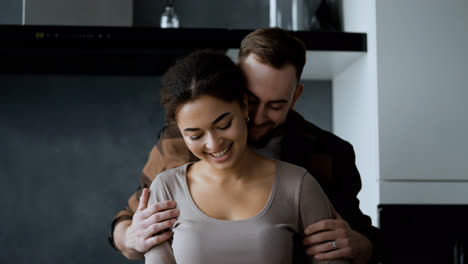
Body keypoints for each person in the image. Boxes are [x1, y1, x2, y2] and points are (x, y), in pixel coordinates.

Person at [110, 27, 380, 263]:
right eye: (251, 100)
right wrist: (132, 237)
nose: (259, 117)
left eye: (276, 105)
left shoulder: (329, 153)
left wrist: (358, 245)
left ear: (295, 96)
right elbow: (128, 220)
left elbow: (368, 240)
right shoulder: (176, 142)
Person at [145, 49, 348, 264]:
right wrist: (129, 235)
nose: (213, 144)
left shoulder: (298, 184)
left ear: (243, 106)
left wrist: (359, 245)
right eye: (195, 135)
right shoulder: (166, 188)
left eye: (224, 125)